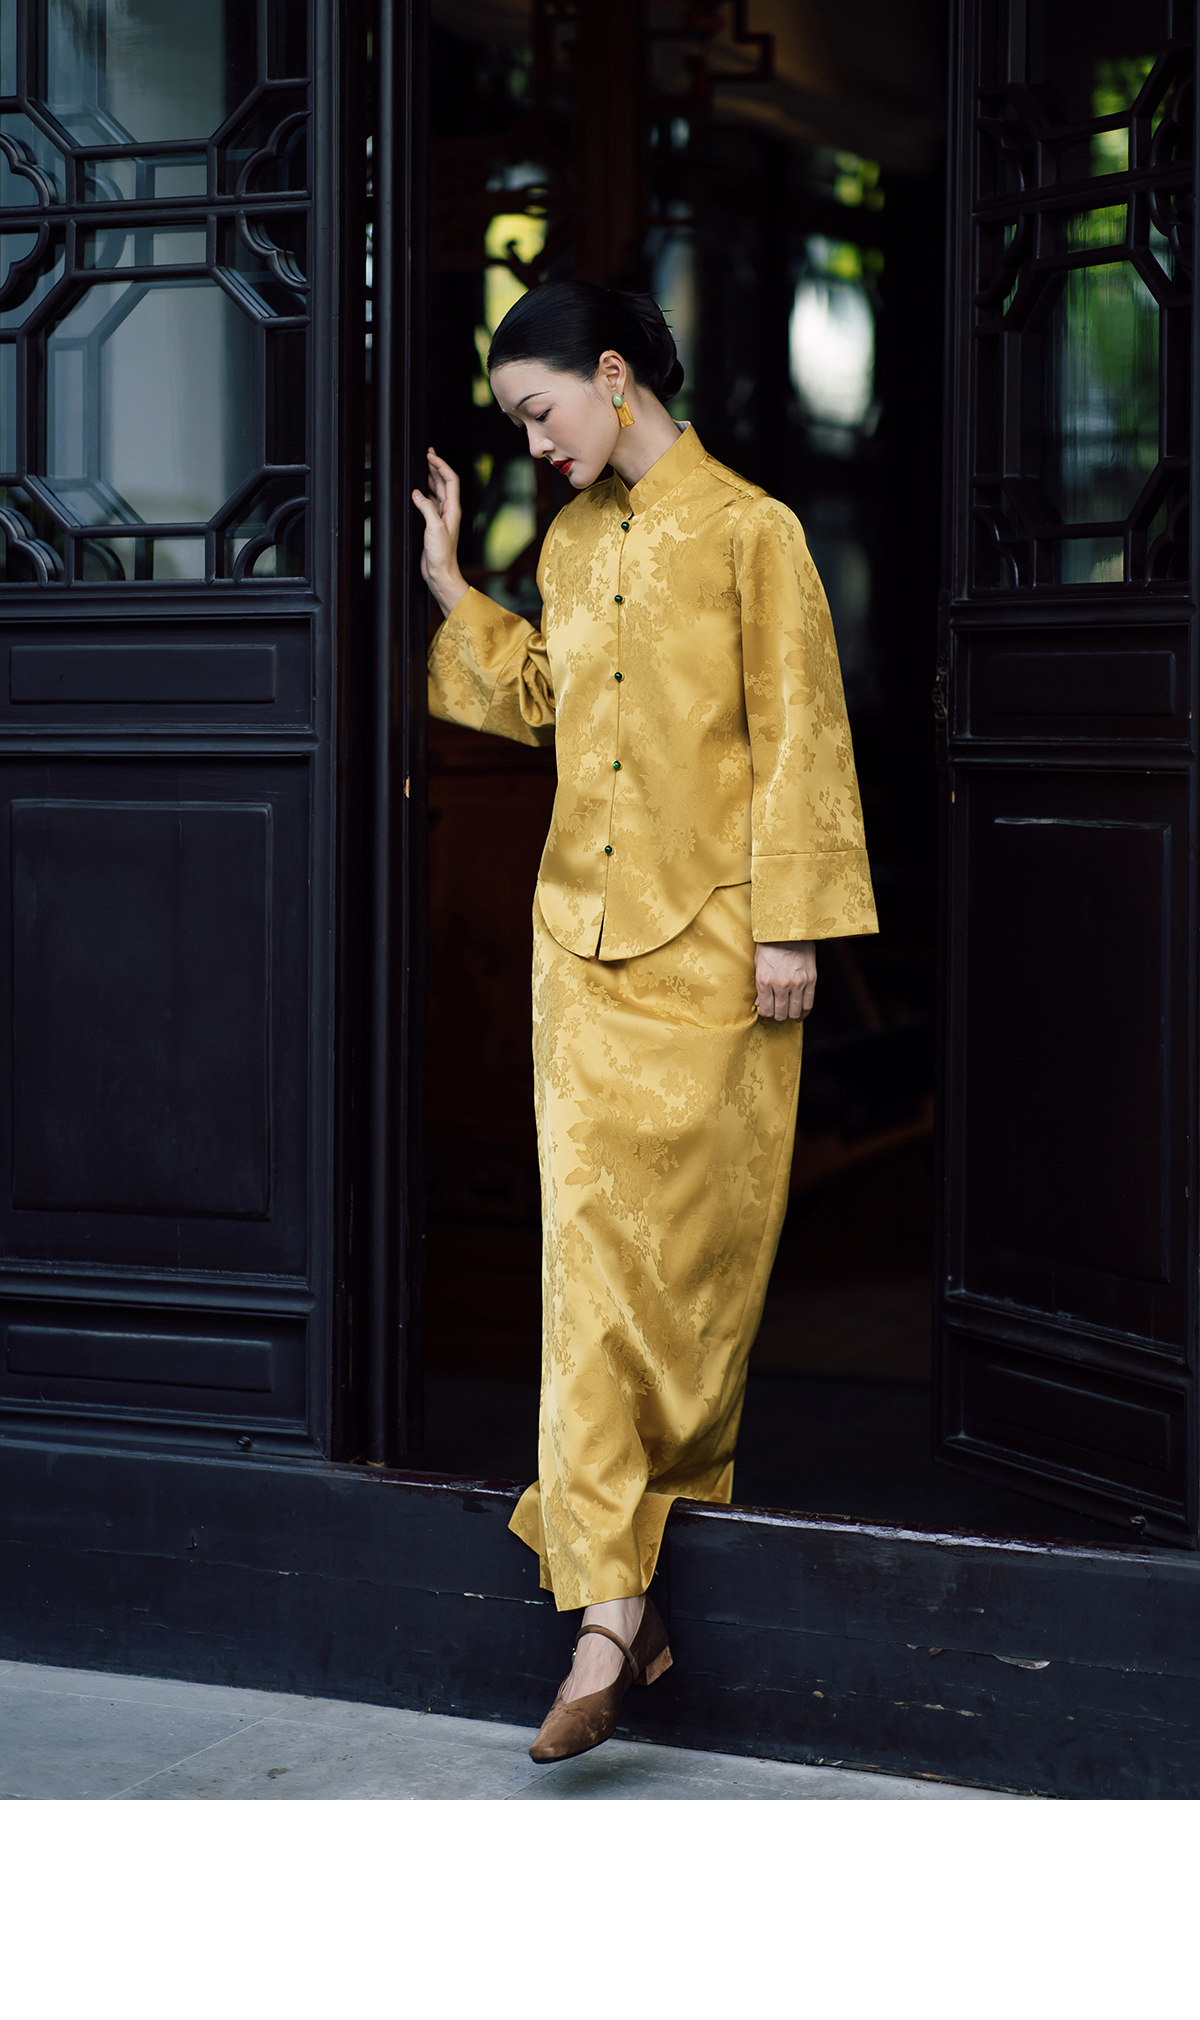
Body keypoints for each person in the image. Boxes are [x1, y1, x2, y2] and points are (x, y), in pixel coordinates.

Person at [412, 278, 878, 1763]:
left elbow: (801, 729)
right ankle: (607, 1616)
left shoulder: (753, 533)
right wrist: (450, 587)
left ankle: (630, 1583)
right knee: (588, 1275)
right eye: (515, 425)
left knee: (692, 1287)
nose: (533, 443)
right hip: (580, 958)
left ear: (613, 374)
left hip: (723, 957)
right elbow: (552, 698)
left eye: (540, 410)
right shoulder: (565, 542)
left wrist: (794, 923)